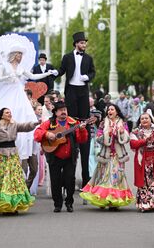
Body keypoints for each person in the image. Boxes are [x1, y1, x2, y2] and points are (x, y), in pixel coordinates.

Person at [0, 43, 54, 163]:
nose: (20, 57)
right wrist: (7, 77)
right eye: (19, 54)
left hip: (18, 94)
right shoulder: (4, 65)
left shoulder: (21, 68)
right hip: (7, 94)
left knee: (22, 113)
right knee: (4, 113)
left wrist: (47, 73)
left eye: (21, 55)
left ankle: (21, 142)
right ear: (14, 55)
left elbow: (33, 76)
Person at [0, 108, 38, 213]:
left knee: (14, 180)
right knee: (3, 180)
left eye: (10, 112)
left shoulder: (14, 124)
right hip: (1, 156)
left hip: (13, 155)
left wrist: (34, 124)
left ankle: (15, 204)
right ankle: (4, 203)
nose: (9, 114)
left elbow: (25, 126)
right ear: (2, 115)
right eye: (7, 113)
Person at [56, 31, 96, 190]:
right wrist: (53, 73)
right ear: (75, 44)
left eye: (85, 43)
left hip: (83, 90)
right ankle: (71, 130)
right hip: (71, 89)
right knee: (71, 116)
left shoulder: (88, 58)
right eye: (81, 43)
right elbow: (61, 71)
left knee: (84, 116)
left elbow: (93, 72)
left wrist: (88, 77)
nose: (84, 45)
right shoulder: (67, 57)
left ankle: (83, 128)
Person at [34, 101, 88, 212]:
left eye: (65, 110)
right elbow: (37, 134)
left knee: (70, 180)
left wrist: (82, 130)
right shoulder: (49, 123)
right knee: (55, 181)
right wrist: (47, 134)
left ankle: (69, 202)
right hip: (54, 156)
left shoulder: (74, 123)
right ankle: (57, 204)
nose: (64, 112)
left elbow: (82, 139)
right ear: (55, 112)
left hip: (70, 157)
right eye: (61, 110)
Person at [80, 103, 134, 209]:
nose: (110, 111)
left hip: (118, 156)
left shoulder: (123, 123)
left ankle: (114, 201)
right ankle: (103, 199)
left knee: (116, 178)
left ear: (117, 111)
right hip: (106, 155)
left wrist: (122, 133)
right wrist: (107, 134)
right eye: (108, 110)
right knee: (104, 178)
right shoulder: (103, 123)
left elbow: (127, 140)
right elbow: (98, 138)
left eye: (112, 109)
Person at [130, 112, 154, 212]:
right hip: (142, 158)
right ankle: (144, 203)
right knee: (144, 181)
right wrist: (144, 141)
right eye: (142, 118)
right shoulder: (136, 132)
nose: (144, 120)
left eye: (146, 118)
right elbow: (133, 144)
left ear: (150, 119)